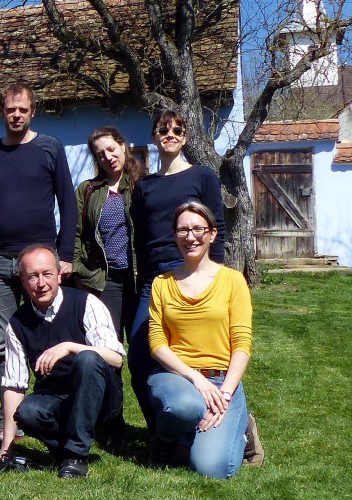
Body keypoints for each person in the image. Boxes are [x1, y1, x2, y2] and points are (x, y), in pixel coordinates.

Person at [0, 82, 77, 438]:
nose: (16, 115)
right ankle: (9, 420)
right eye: (10, 109)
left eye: (23, 110)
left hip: (40, 262)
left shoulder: (49, 148)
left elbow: (68, 203)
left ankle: (49, 412)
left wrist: (65, 255)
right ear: (1, 111)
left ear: (32, 112)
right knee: (3, 342)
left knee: (46, 338)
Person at [128, 110, 227, 437]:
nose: (170, 135)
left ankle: (210, 423)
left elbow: (217, 227)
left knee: (190, 354)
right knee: (140, 358)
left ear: (184, 137)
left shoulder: (203, 176)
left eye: (176, 130)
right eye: (163, 130)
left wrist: (215, 276)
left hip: (192, 272)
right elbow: (141, 238)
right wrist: (143, 280)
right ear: (154, 137)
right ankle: (162, 432)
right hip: (154, 280)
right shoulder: (145, 186)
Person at [0, 244, 125, 479]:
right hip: (55, 396)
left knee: (88, 359)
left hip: (100, 397)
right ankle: (66, 451)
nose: (41, 283)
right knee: (27, 412)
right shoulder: (17, 323)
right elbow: (14, 384)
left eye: (47, 274)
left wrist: (70, 347)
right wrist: (7, 447)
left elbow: (116, 359)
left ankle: (76, 456)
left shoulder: (87, 303)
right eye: (32, 276)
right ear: (23, 282)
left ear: (59, 274)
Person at [146, 202, 252, 479]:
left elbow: (242, 344)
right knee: (184, 406)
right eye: (182, 230)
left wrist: (224, 396)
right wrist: (195, 378)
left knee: (212, 469)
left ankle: (242, 430)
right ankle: (167, 441)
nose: (190, 237)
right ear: (174, 236)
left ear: (212, 234)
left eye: (198, 229)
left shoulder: (233, 281)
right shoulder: (162, 283)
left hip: (221, 383)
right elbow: (157, 343)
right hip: (177, 378)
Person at [74, 126, 145, 341]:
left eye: (111, 149)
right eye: (100, 154)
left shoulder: (143, 184)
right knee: (107, 344)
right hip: (105, 280)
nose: (108, 157)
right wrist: (79, 272)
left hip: (139, 278)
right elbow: (75, 234)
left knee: (142, 345)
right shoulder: (88, 190)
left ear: (123, 145)